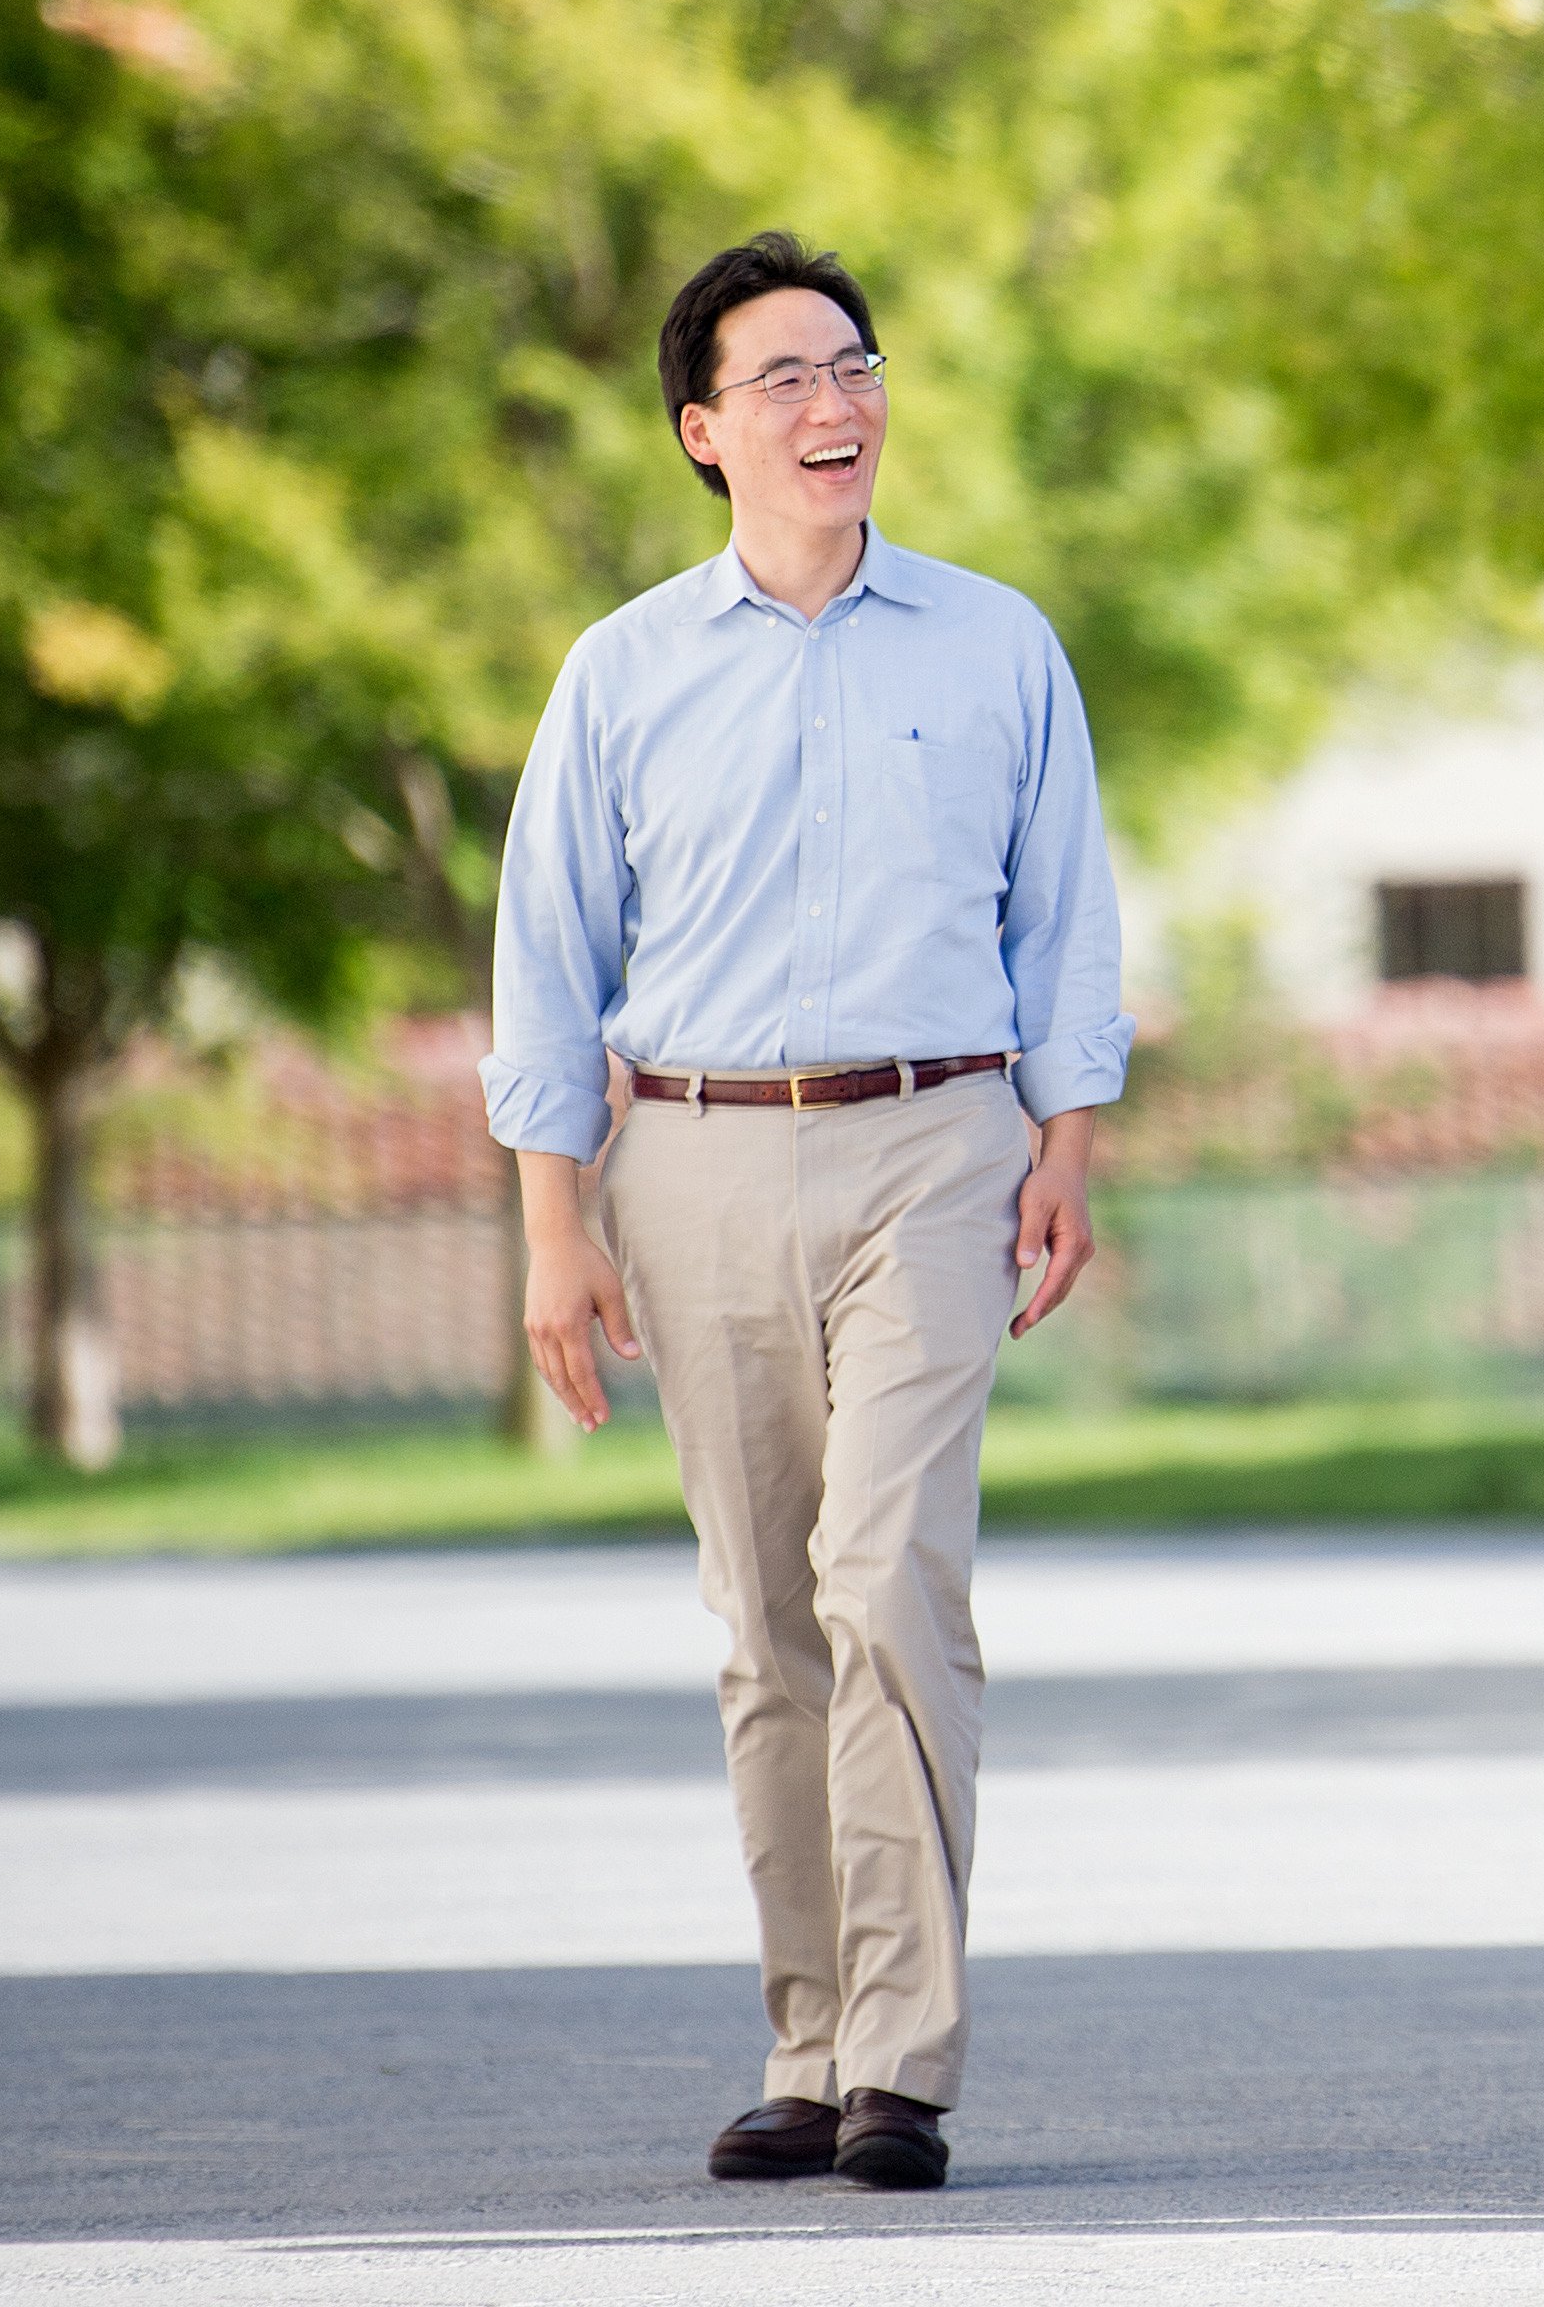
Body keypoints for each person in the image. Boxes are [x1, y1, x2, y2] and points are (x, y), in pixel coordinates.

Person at [483, 231, 1130, 2196]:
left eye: (852, 364)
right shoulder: (621, 671)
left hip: (934, 1140)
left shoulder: (996, 639)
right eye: (783, 377)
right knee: (767, 1621)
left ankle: (904, 2062)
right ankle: (810, 2036)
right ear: (704, 428)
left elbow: (1064, 914)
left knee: (886, 1580)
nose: (833, 403)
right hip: (685, 1156)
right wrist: (554, 1228)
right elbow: (549, 961)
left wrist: (1063, 1143)